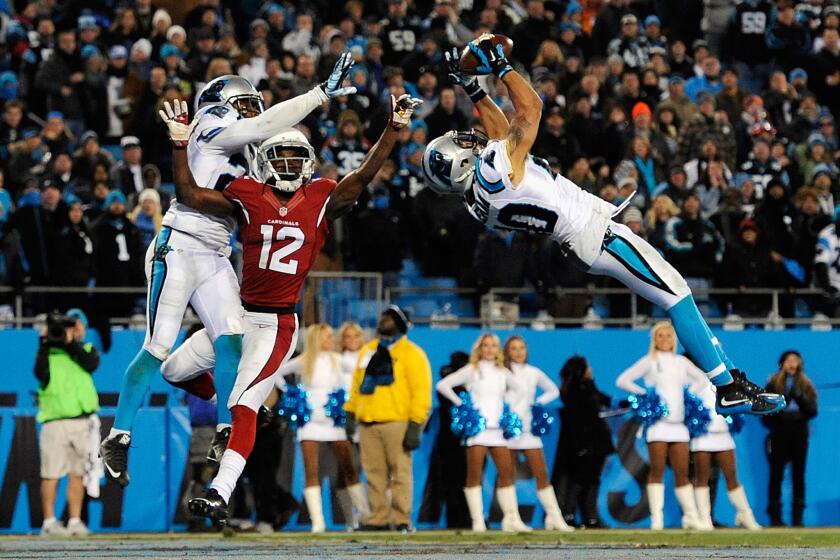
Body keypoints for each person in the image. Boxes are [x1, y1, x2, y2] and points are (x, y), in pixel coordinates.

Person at [425, 37, 784, 418]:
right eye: (460, 143)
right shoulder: (493, 169)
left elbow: (501, 136)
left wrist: (471, 89)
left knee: (675, 291)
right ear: (460, 163)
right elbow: (530, 110)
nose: (467, 138)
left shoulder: (477, 195)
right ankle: (725, 387)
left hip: (586, 235)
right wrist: (500, 67)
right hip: (593, 234)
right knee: (676, 294)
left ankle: (729, 377)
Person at [157, 89, 421, 527]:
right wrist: (180, 143)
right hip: (237, 315)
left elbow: (364, 174)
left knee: (241, 405)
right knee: (173, 370)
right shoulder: (247, 194)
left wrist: (392, 131)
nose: (288, 165)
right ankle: (244, 411)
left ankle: (219, 491)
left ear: (309, 162)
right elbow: (187, 194)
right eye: (280, 156)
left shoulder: (321, 198)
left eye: (296, 158)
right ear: (264, 161)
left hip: (274, 324)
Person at [99, 54, 360, 488]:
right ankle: (118, 434)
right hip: (179, 245)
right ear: (227, 101)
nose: (256, 113)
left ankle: (225, 428)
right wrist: (318, 94)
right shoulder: (210, 124)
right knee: (160, 344)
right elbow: (259, 128)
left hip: (216, 253)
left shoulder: (253, 149)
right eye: (250, 104)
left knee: (231, 339)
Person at [344, 306, 432, 532]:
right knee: (374, 474)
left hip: (397, 421)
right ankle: (379, 518)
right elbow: (356, 386)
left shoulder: (413, 353)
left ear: (400, 323)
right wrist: (351, 412)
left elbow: (421, 391)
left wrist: (415, 424)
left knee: (401, 473)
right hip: (368, 421)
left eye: (390, 318)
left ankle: (402, 519)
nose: (384, 321)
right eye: (383, 317)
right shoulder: (367, 351)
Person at [274, 324, 369, 532]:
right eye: (328, 336)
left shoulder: (338, 360)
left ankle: (362, 516)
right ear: (317, 338)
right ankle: (318, 523)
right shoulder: (304, 361)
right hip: (309, 423)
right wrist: (291, 393)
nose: (332, 340)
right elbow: (275, 372)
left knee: (349, 469)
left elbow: (359, 370)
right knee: (311, 471)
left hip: (334, 422)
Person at [615, 321, 709, 530]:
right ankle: (657, 518)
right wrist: (647, 396)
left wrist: (688, 395)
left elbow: (701, 379)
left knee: (682, 472)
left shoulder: (681, 362)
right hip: (658, 425)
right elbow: (622, 380)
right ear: (654, 339)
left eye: (668, 336)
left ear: (674, 339)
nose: (664, 340)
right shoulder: (649, 361)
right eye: (660, 336)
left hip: (679, 426)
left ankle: (691, 517)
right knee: (657, 470)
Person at [436, 333, 530, 533]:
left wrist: (510, 412)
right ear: (479, 349)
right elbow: (443, 385)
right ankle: (477, 520)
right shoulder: (471, 370)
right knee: (474, 475)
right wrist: (463, 406)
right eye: (485, 346)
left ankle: (511, 519)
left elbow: (521, 391)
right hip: (478, 431)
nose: (489, 349)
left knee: (507, 473)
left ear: (498, 350)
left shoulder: (502, 372)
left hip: (498, 431)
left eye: (494, 346)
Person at [35, 309, 100, 536]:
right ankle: (49, 521)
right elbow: (40, 373)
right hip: (55, 420)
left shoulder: (86, 350)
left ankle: (74, 520)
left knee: (78, 473)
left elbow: (91, 363)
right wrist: (44, 342)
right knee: (51, 473)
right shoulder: (48, 353)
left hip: (81, 420)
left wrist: (71, 342)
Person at [502, 335, 572, 531]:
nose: (518, 352)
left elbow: (553, 391)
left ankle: (554, 517)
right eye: (514, 348)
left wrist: (538, 404)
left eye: (522, 348)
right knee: (507, 475)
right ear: (507, 352)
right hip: (508, 430)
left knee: (541, 473)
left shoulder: (533, 372)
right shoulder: (501, 372)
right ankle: (511, 519)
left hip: (529, 431)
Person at [553, 355, 614, 528]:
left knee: (592, 478)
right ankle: (570, 514)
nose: (591, 370)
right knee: (579, 479)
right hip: (583, 443)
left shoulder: (587, 387)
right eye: (587, 367)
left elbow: (607, 401)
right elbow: (576, 419)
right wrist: (581, 445)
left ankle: (590, 516)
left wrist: (631, 402)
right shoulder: (574, 390)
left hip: (594, 443)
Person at [690, 385, 761, 531]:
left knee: (732, 478)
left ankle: (746, 516)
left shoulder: (721, 377)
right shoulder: (694, 375)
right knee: (702, 478)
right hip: (702, 435)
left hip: (723, 435)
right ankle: (705, 519)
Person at [762, 350, 818, 527]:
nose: (792, 364)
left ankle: (797, 518)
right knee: (776, 474)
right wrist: (785, 399)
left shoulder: (806, 385)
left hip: (799, 431)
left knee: (798, 474)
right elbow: (765, 415)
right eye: (788, 360)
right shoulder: (772, 384)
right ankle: (775, 517)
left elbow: (812, 411)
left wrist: (799, 397)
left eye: (795, 360)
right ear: (782, 363)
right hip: (779, 431)